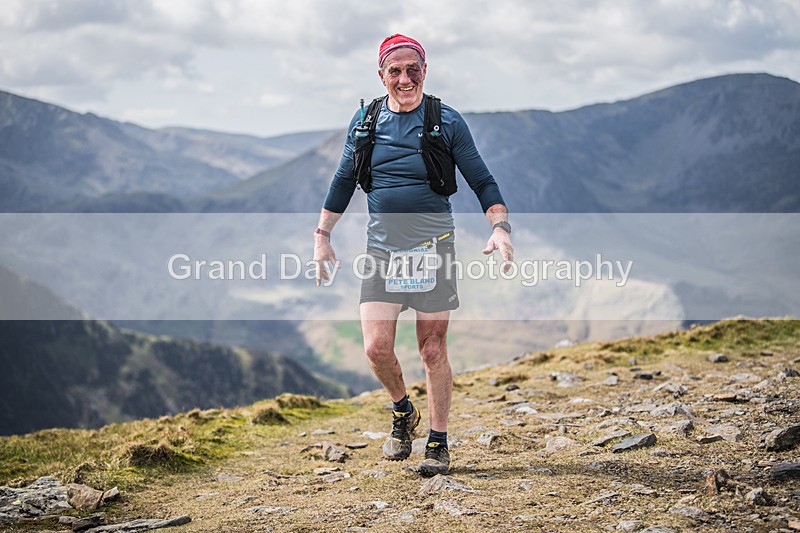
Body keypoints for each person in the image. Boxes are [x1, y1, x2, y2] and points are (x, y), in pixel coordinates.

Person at [313, 33, 513, 477]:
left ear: (425, 70)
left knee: (432, 348)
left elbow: (483, 179)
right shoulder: (365, 121)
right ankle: (403, 410)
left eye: (413, 69)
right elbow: (343, 180)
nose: (405, 78)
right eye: (395, 70)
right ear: (381, 75)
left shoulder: (447, 121)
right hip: (383, 249)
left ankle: (438, 442)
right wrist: (322, 235)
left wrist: (499, 228)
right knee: (376, 347)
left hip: (433, 246)